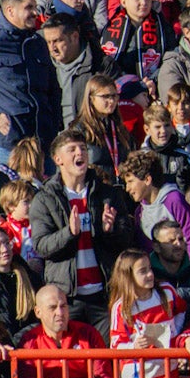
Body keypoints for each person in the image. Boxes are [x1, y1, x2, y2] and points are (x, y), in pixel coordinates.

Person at [30, 129, 135, 337]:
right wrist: (69, 233)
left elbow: (127, 239)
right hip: (68, 298)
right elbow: (41, 246)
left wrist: (110, 230)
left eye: (83, 149)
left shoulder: (107, 193)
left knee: (107, 358)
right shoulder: (45, 199)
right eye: (72, 150)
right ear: (58, 159)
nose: (80, 153)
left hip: (103, 295)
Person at [108, 247, 187, 378]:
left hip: (167, 371)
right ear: (128, 276)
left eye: (150, 269)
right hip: (138, 376)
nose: (150, 274)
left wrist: (176, 332)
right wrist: (134, 346)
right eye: (143, 271)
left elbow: (181, 311)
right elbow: (115, 344)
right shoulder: (121, 307)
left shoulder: (166, 291)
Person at [17, 285, 115, 378]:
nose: (60, 312)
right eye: (52, 307)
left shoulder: (88, 333)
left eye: (64, 306)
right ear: (38, 312)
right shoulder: (30, 341)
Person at [0, 0, 58, 159]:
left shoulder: (37, 42)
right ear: (10, 11)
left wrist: (54, 123)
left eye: (35, 7)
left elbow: (53, 88)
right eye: (28, 7)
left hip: (43, 140)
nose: (35, 13)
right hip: (9, 143)